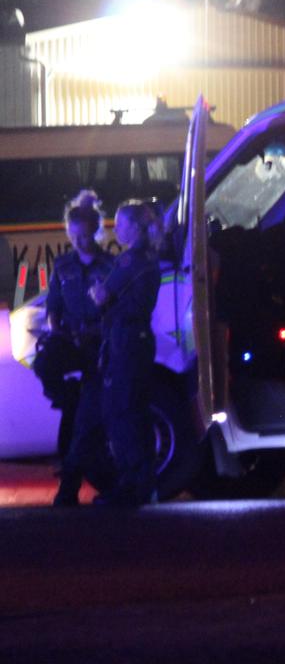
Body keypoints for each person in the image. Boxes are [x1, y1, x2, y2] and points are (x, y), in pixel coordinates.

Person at [89, 200, 162, 507]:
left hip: (126, 341)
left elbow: (101, 295)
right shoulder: (148, 257)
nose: (115, 229)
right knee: (137, 412)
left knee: (121, 412)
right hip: (137, 340)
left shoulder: (130, 261)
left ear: (134, 227)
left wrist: (95, 292)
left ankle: (132, 484)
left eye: (120, 224)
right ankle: (145, 483)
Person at [46, 191, 115, 507]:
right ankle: (69, 488)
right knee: (72, 414)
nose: (79, 243)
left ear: (97, 233)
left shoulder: (111, 265)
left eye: (85, 237)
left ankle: (70, 488)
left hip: (99, 349)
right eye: (74, 237)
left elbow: (115, 312)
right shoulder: (62, 266)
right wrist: (58, 331)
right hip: (72, 346)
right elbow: (54, 309)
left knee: (83, 425)